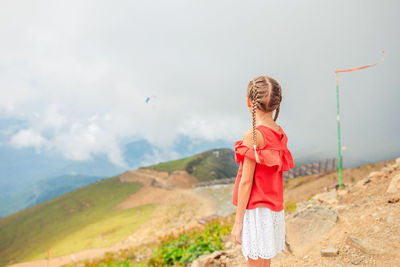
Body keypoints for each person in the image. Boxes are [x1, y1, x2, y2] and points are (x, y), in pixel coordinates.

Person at [231, 75, 295, 267]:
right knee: (264, 262)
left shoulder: (253, 135)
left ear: (249, 102)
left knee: (254, 263)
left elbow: (246, 182)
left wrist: (238, 222)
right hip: (273, 208)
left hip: (256, 209)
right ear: (277, 104)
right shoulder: (279, 131)